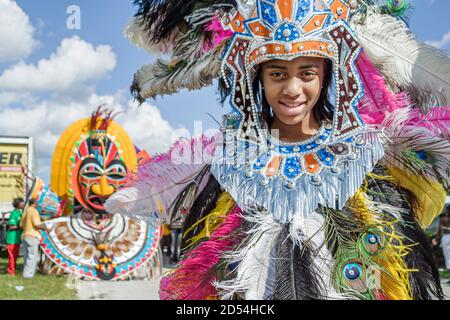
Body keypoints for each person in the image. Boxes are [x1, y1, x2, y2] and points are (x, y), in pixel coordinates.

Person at [106, 0, 450, 300]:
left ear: (325, 75)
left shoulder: (366, 152)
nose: (293, 89)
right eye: (277, 74)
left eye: (307, 73)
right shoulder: (228, 159)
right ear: (259, 78)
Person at [20, 198, 48, 279]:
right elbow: (36, 224)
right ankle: (28, 275)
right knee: (32, 256)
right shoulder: (34, 211)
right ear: (35, 203)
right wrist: (46, 228)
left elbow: (21, 225)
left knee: (27, 256)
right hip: (32, 236)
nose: (38, 205)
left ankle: (26, 273)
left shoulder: (25, 211)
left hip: (25, 235)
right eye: (37, 203)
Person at [5, 198, 24, 275]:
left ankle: (12, 269)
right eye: (21, 203)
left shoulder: (19, 212)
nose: (23, 204)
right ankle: (11, 271)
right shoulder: (14, 213)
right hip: (12, 239)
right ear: (17, 204)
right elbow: (11, 227)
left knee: (15, 256)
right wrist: (20, 226)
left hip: (17, 239)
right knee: (12, 256)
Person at [432, 206, 450, 285]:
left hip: (446, 237)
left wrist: (436, 240)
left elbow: (439, 231)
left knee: (448, 258)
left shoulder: (443, 219)